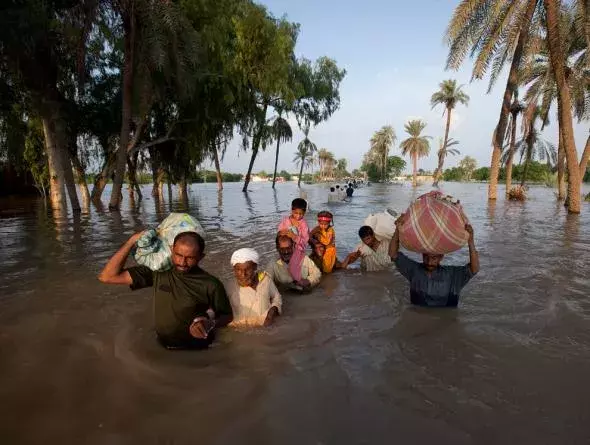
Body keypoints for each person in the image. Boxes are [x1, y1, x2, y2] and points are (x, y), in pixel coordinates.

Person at [98, 231, 233, 350]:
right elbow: (107, 277)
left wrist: (209, 323)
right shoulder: (158, 272)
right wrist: (131, 241)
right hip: (163, 345)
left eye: (190, 258)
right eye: (178, 255)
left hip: (197, 349)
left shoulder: (210, 284)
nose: (182, 262)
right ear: (171, 250)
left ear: (201, 257)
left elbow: (227, 316)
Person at [389, 214, 480, 307]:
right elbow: (393, 254)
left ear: (441, 258)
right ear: (422, 255)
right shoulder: (414, 270)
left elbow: (474, 269)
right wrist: (397, 229)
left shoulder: (453, 275)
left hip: (445, 319)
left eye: (434, 258)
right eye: (426, 257)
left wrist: (471, 241)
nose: (429, 262)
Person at [225, 248, 282, 327]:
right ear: (234, 269)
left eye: (247, 269)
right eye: (238, 270)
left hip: (265, 327)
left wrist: (271, 312)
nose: (243, 274)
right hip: (240, 329)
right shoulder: (229, 286)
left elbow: (277, 297)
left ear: (255, 267)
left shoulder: (266, 280)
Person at [277, 198, 310, 283]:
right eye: (296, 213)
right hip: (286, 249)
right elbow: (279, 233)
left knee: (295, 269)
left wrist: (295, 237)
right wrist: (281, 233)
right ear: (291, 210)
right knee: (283, 267)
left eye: (301, 214)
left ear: (305, 212)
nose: (298, 216)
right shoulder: (285, 221)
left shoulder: (304, 225)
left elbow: (305, 242)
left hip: (298, 251)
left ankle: (297, 281)